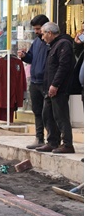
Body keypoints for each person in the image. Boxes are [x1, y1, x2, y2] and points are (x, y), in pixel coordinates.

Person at [35, 22, 75, 154]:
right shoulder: (53, 45)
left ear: (49, 33)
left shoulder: (63, 44)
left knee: (61, 116)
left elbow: (63, 67)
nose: (42, 38)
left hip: (59, 89)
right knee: (48, 115)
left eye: (43, 34)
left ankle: (67, 144)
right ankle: (52, 142)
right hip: (49, 88)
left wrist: (55, 85)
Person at [18, 14, 50, 149]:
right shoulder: (36, 42)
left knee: (48, 113)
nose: (36, 32)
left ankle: (52, 140)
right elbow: (32, 58)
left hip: (46, 82)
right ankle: (39, 138)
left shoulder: (51, 42)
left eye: (38, 29)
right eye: (35, 29)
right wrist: (24, 56)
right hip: (35, 81)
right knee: (37, 111)